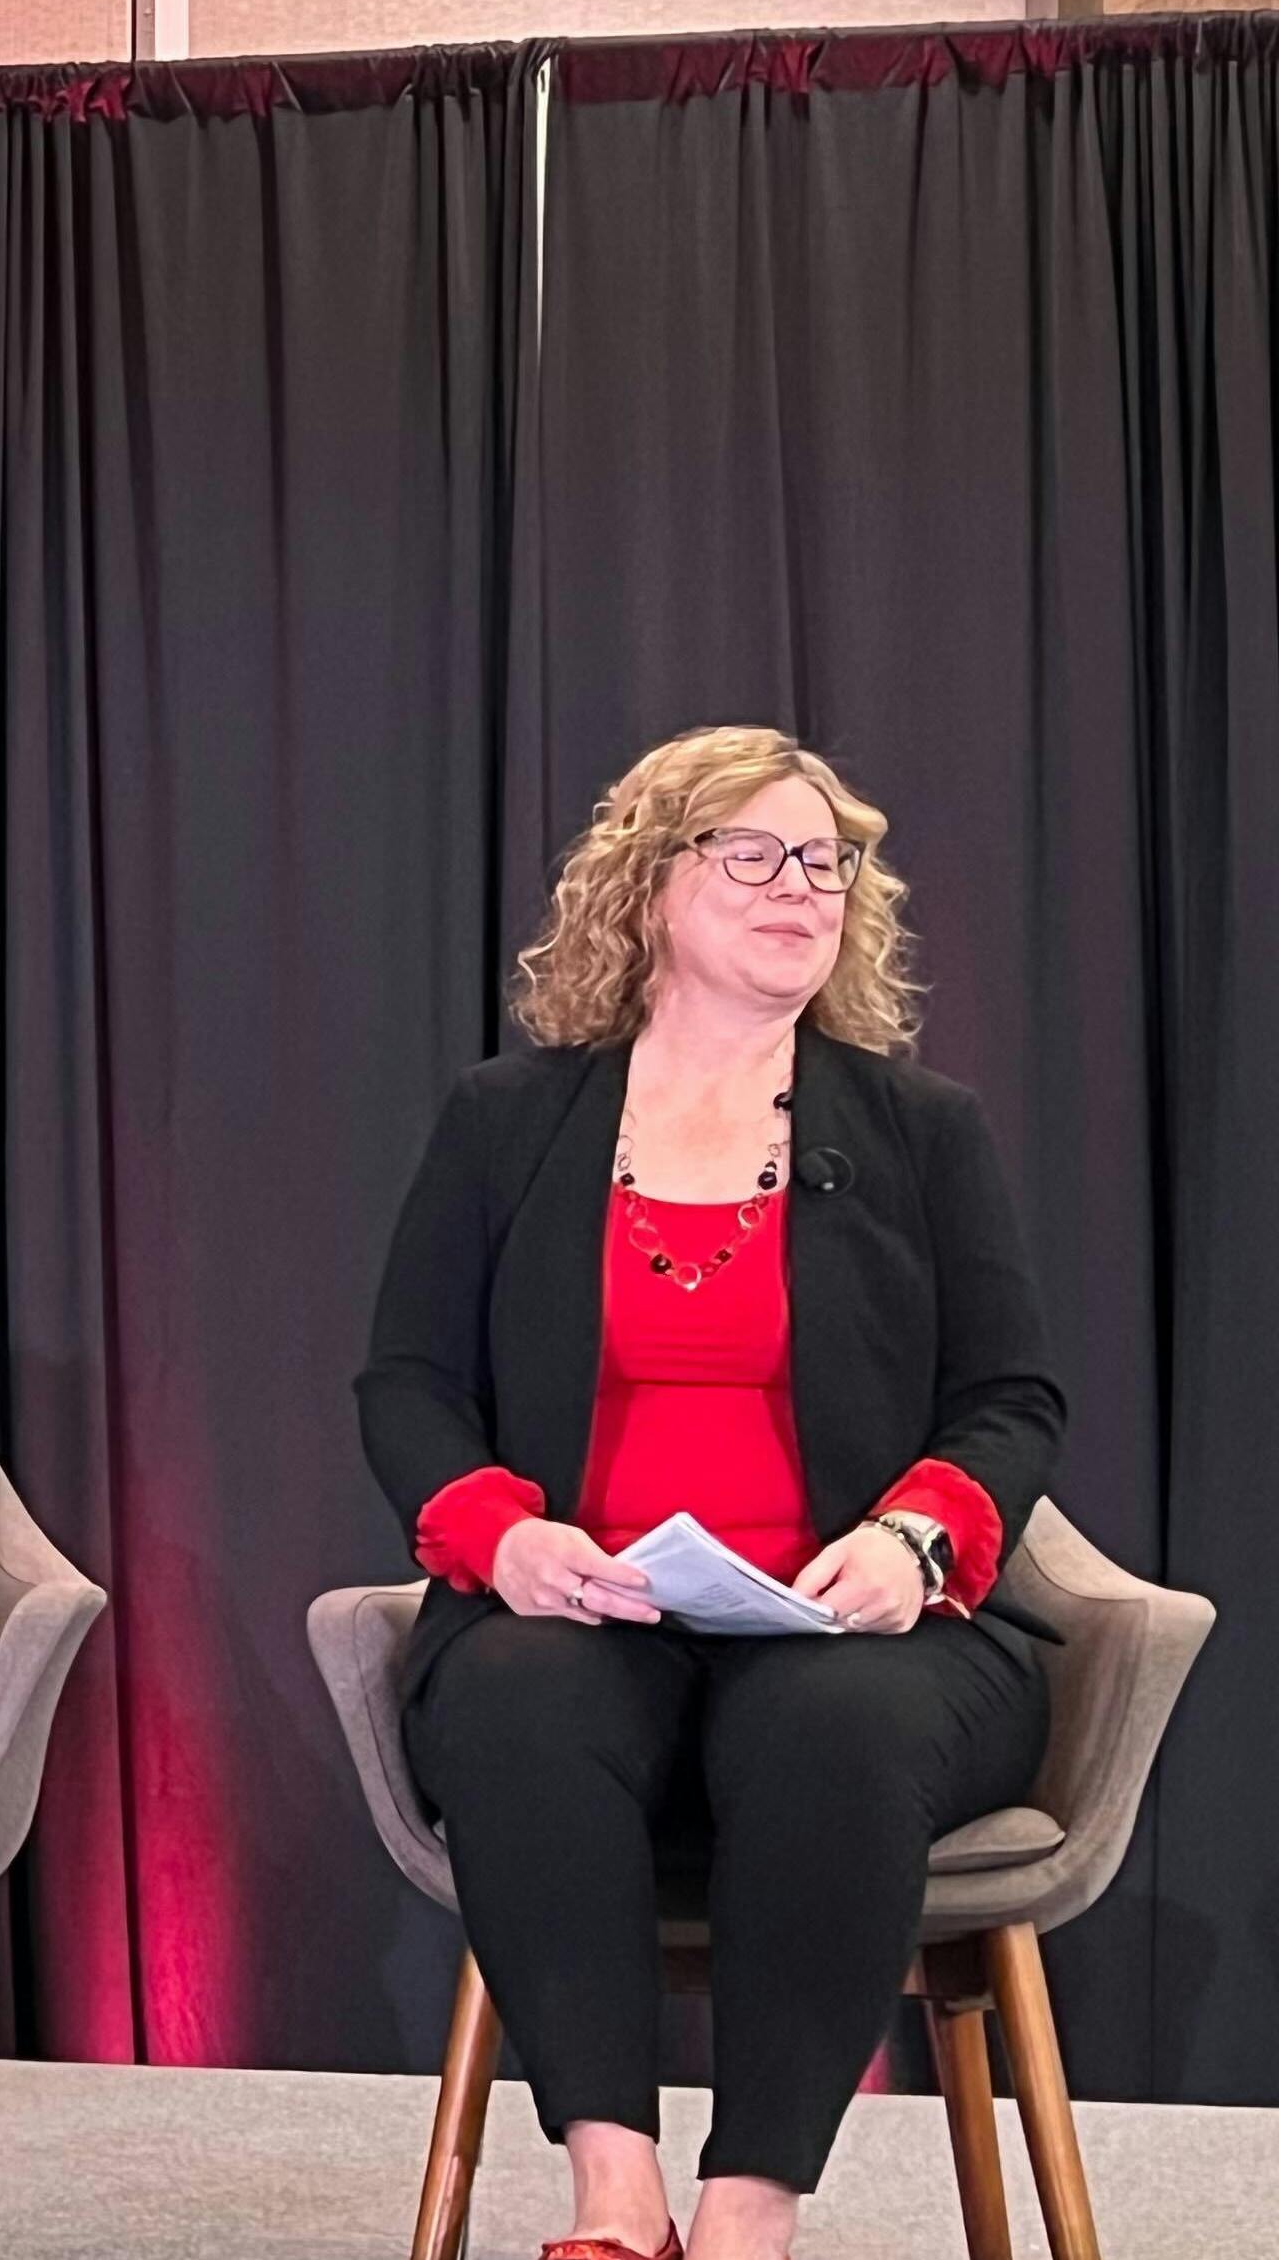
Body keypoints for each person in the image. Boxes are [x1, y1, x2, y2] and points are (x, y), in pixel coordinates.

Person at [359, 727, 1058, 2260]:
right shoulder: (509, 1120)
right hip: (589, 1608)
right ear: (652, 883)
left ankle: (748, 2218)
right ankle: (615, 2203)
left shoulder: (921, 1131)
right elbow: (408, 1382)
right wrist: (507, 1536)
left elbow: (1011, 1403)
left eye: (826, 862)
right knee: (517, 1700)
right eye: (756, 854)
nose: (800, 888)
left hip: (859, 1627)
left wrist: (911, 1536)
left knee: (831, 1722)